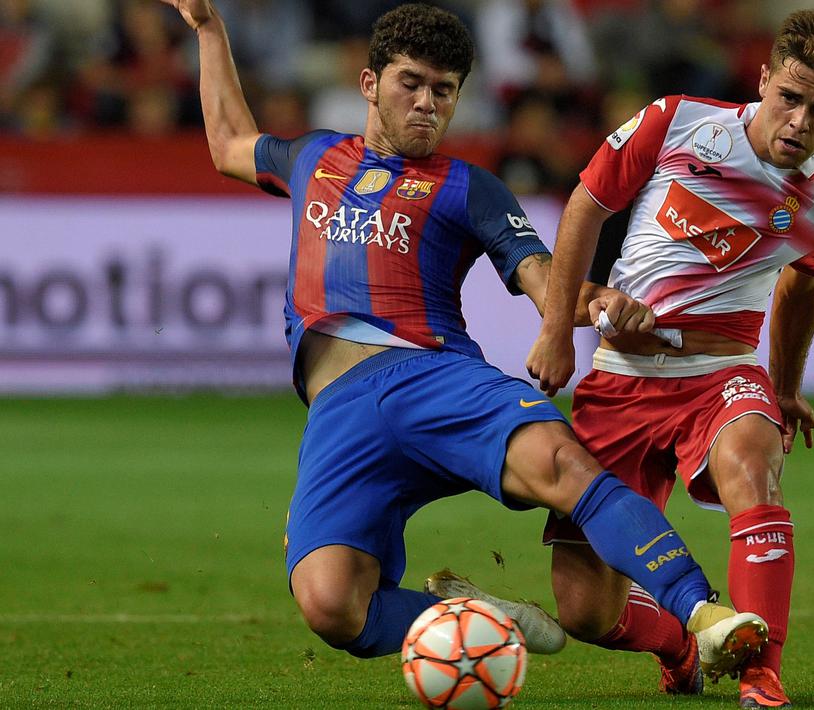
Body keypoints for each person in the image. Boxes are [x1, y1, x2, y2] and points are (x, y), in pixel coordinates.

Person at [161, 0, 768, 673]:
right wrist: (209, 30)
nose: (427, 103)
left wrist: (598, 302)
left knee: (563, 467)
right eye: (411, 83)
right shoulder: (312, 156)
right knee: (332, 604)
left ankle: (701, 613)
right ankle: (485, 620)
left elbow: (544, 280)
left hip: (434, 379)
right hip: (339, 411)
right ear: (369, 84)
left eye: (444, 91)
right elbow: (227, 144)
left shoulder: (469, 188)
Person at [519, 11, 814, 708]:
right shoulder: (676, 121)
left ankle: (761, 676)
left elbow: (802, 283)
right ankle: (682, 644)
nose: (800, 121)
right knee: (585, 612)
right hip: (620, 380)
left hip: (721, 376)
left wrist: (785, 387)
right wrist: (557, 329)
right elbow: (586, 206)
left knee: (753, 467)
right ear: (763, 79)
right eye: (790, 97)